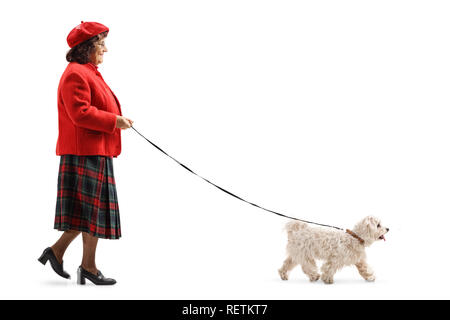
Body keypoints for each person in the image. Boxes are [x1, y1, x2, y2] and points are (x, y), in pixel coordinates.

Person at [38, 21, 133, 285]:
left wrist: (115, 119)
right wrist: (114, 121)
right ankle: (86, 266)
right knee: (90, 213)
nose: (105, 49)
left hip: (94, 150)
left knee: (87, 213)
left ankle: (59, 253)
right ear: (87, 47)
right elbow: (80, 113)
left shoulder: (87, 72)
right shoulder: (76, 74)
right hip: (84, 152)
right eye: (101, 44)